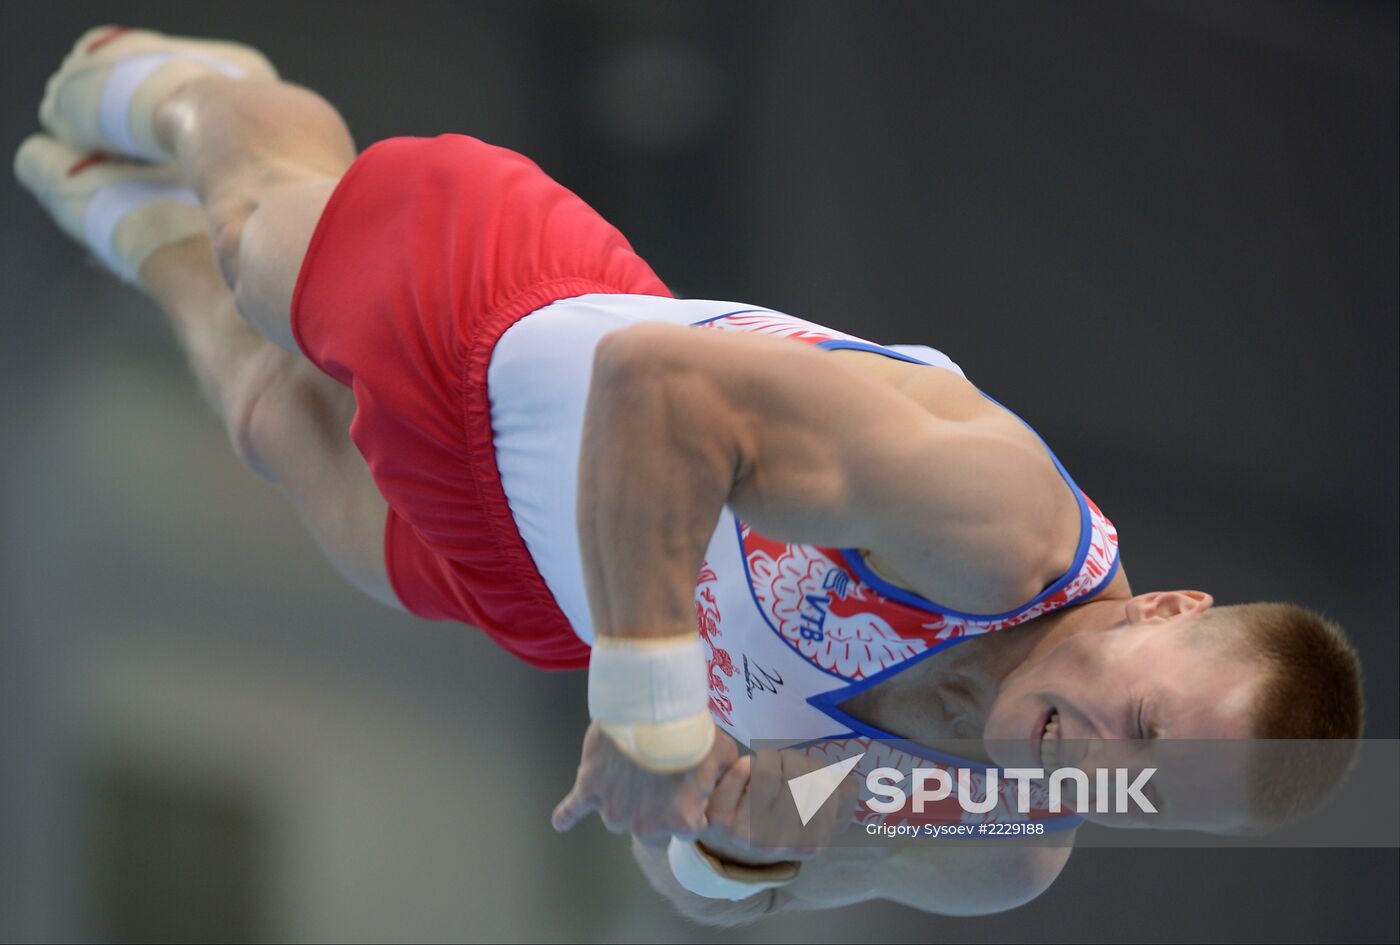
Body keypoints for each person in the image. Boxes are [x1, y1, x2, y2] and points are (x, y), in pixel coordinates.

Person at [15, 27, 1364, 925]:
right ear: (1161, 610)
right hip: (509, 319)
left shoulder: (994, 837)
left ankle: (147, 243)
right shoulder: (992, 525)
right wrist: (658, 704)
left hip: (563, 573)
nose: (1089, 771)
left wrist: (708, 832)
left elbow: (737, 853)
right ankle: (184, 92)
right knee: (268, 250)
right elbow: (654, 389)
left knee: (276, 432)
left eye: (1138, 793)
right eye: (1139, 728)